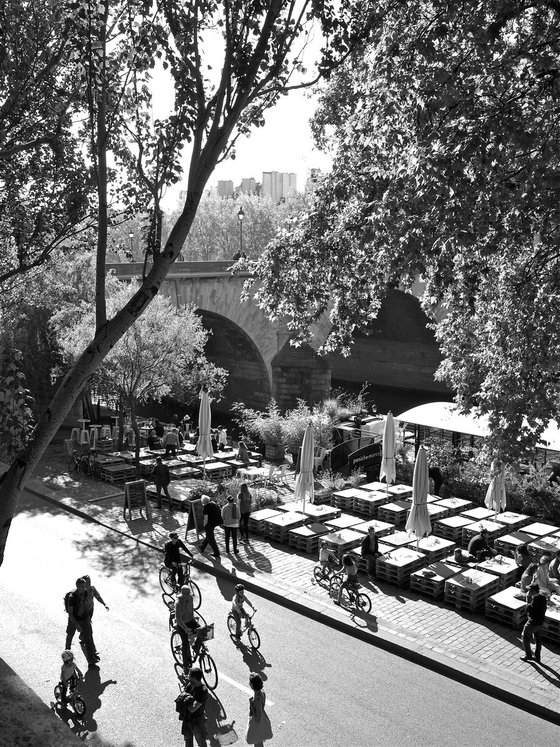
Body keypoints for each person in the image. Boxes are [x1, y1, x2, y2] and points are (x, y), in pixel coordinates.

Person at [65, 577, 98, 665]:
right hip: (74, 620)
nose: (84, 588)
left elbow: (87, 606)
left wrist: (88, 619)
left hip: (84, 619)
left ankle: (91, 660)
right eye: (82, 586)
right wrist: (77, 625)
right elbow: (70, 613)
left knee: (88, 638)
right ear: (77, 586)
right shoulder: (72, 597)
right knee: (70, 636)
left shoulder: (86, 592)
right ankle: (66, 656)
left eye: (84, 586)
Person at [176, 667, 209, 747]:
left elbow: (192, 709)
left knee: (201, 744)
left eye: (190, 676)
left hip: (197, 722)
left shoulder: (203, 691)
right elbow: (183, 696)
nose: (188, 677)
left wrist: (184, 704)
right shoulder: (190, 685)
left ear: (194, 678)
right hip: (187, 719)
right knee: (188, 742)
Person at [175, 586, 203, 670]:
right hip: (182, 624)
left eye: (189, 593)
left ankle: (195, 646)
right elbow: (178, 619)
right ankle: (185, 665)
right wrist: (185, 628)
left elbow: (191, 611)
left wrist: (195, 621)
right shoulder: (178, 603)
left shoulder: (190, 598)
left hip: (190, 620)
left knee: (202, 631)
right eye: (186, 594)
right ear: (182, 594)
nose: (188, 595)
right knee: (185, 644)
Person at [520, 583, 548, 662]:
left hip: (532, 623)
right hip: (540, 622)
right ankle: (537, 657)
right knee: (538, 640)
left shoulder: (534, 601)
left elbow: (528, 609)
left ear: (532, 591)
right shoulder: (543, 598)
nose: (528, 592)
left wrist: (527, 600)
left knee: (525, 636)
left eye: (529, 590)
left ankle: (528, 655)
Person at [245, 672, 273, 746]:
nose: (249, 683)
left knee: (257, 743)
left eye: (250, 681)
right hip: (262, 716)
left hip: (257, 723)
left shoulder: (256, 699)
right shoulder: (262, 692)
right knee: (259, 742)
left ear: (252, 684)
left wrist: (251, 705)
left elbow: (257, 718)